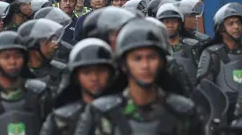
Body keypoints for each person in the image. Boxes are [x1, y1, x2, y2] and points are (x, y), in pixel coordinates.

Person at [74, 19, 204, 134]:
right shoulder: (101, 111)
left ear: (162, 62)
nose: (145, 65)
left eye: (151, 57)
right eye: (137, 59)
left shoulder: (182, 110)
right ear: (124, 65)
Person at [40, 38, 117, 135]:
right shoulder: (61, 118)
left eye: (101, 70)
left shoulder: (122, 113)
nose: (94, 77)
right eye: (87, 72)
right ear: (76, 76)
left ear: (111, 74)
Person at [197, 2, 242, 122]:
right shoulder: (212, 54)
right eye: (231, 23)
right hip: (223, 115)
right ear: (221, 29)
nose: (236, 27)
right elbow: (205, 88)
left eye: (238, 22)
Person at [18, 18, 66, 96]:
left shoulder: (62, 72)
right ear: (34, 45)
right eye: (49, 40)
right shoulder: (16, 75)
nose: (55, 45)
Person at [156, 3, 200, 87]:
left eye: (173, 21)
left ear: (179, 23)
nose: (170, 25)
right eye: (166, 22)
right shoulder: (157, 49)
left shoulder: (193, 47)